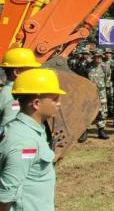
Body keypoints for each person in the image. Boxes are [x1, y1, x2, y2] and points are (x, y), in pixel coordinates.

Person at [0, 68, 65, 211]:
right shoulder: (25, 142)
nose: (59, 103)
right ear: (36, 103)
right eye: (55, 99)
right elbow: (6, 195)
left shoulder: (35, 130)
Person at [0, 48, 41, 126]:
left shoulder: (6, 91)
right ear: (17, 72)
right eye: (31, 70)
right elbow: (8, 126)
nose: (34, 73)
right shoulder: (14, 95)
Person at [86, 50, 110, 140]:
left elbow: (108, 78)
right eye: (97, 56)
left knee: (102, 111)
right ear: (94, 57)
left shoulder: (105, 67)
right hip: (90, 92)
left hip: (102, 92)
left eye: (100, 56)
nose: (99, 58)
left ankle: (101, 130)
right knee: (88, 111)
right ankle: (85, 131)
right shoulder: (87, 67)